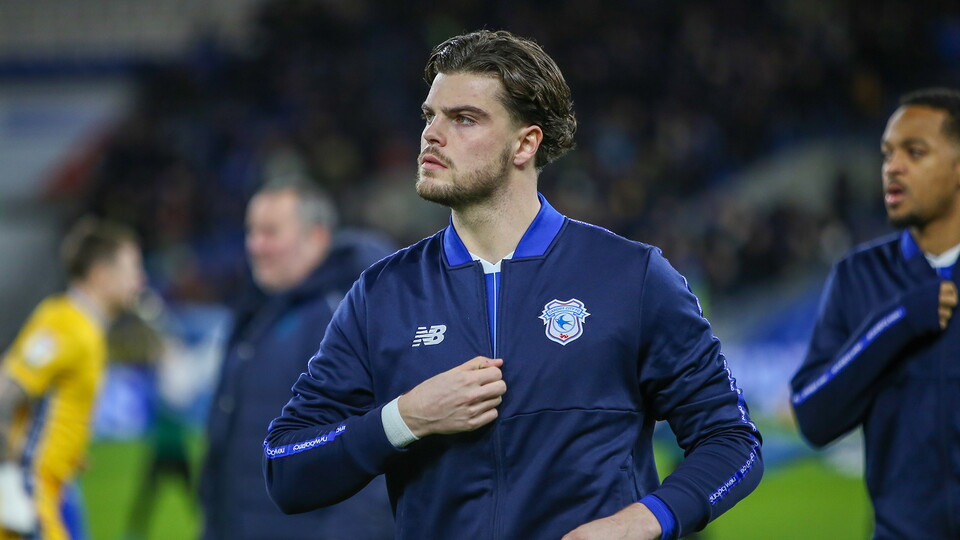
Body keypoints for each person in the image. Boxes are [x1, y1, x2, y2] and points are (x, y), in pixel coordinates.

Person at [263, 30, 762, 540]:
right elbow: (286, 467)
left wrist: (643, 521)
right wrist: (406, 418)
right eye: (429, 116)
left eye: (463, 118)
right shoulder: (383, 294)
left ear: (525, 143)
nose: (432, 134)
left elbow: (732, 442)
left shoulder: (631, 277)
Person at [791, 87, 960, 538]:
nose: (892, 167)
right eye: (887, 154)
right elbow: (813, 417)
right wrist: (897, 321)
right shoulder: (858, 276)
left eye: (915, 152)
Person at [200, 176, 396, 540]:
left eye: (270, 232)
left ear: (316, 237)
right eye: (251, 231)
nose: (255, 246)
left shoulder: (347, 315)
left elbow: (376, 450)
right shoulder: (257, 313)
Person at [0, 217, 144, 540]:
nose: (140, 279)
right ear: (101, 274)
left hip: (53, 492)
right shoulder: (66, 324)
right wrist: (8, 480)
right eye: (132, 267)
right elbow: (4, 394)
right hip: (28, 495)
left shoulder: (86, 329)